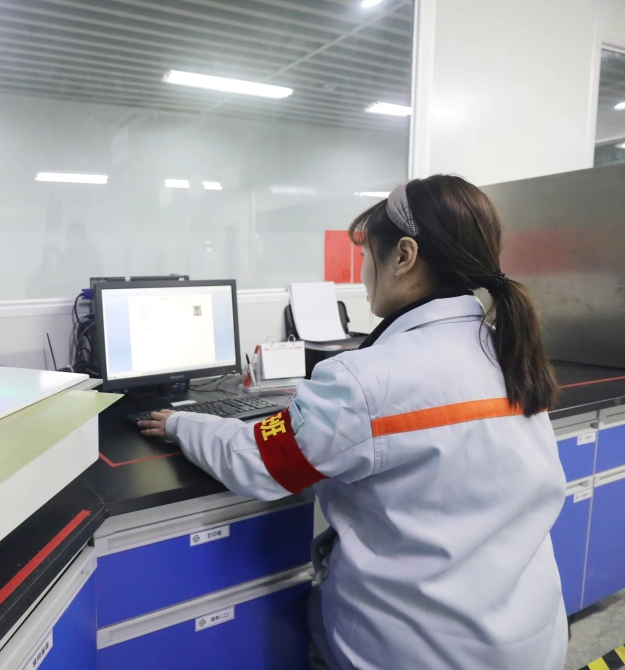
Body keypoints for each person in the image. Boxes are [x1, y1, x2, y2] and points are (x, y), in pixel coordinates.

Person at [138, 175, 568, 670]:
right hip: (532, 642)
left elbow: (260, 462)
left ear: (403, 256)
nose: (363, 276)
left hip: (418, 653)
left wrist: (182, 425)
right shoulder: (508, 351)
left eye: (367, 256)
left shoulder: (365, 380)